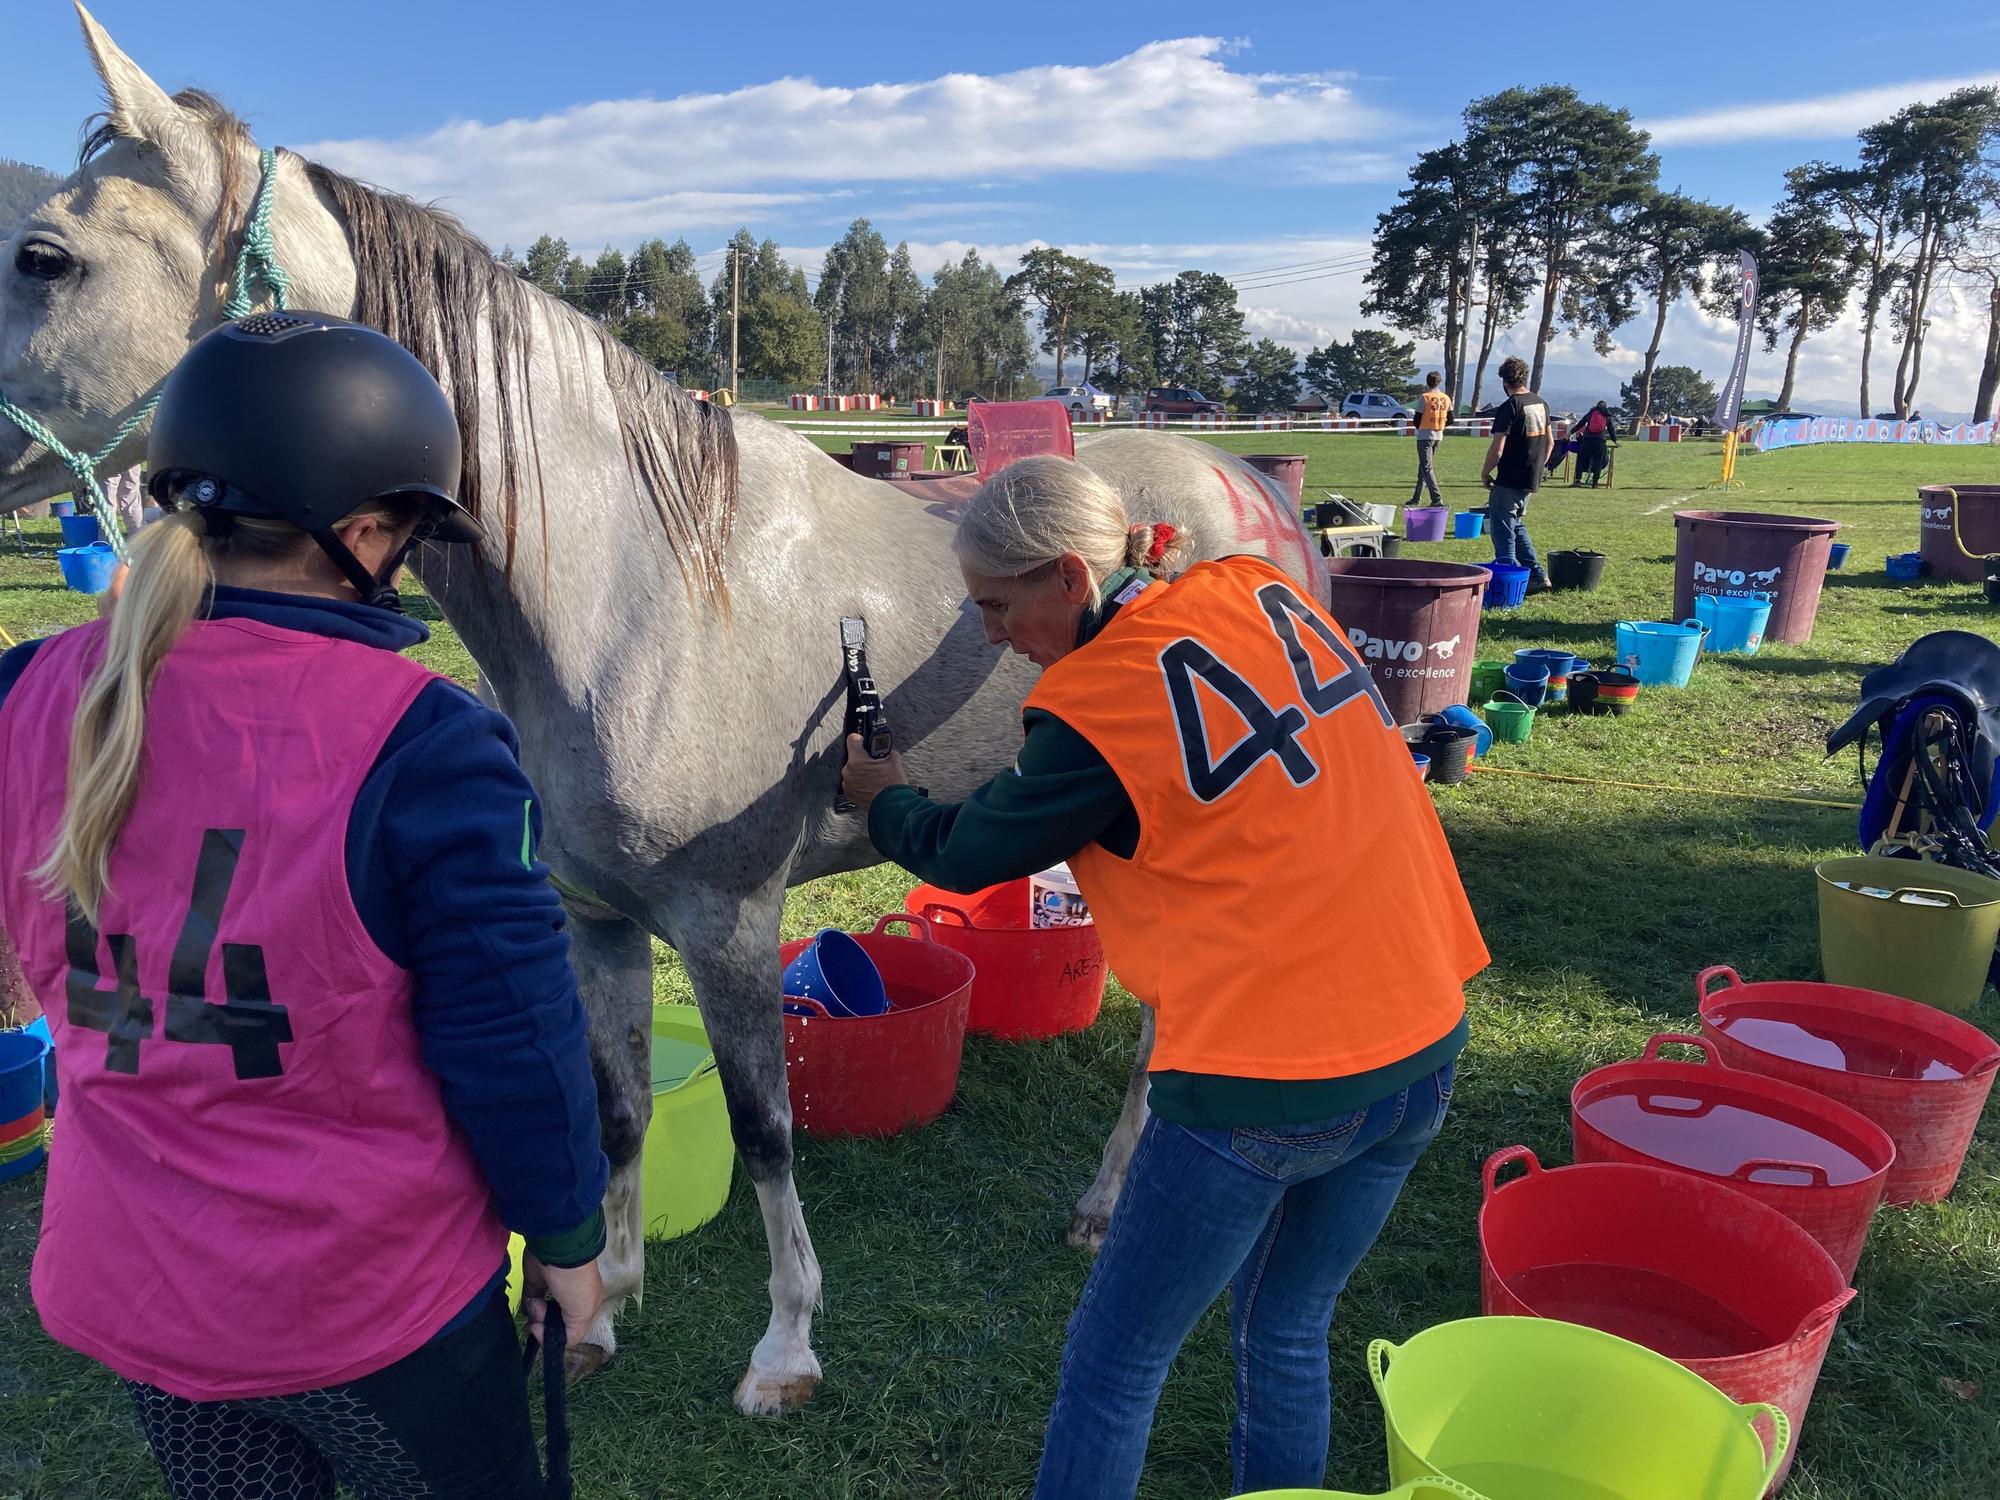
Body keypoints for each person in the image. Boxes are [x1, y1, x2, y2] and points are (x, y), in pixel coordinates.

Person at [0, 313, 607, 1500]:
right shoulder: (426, 744)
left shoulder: (27, 686)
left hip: (141, 1284)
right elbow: (516, 1041)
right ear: (366, 530)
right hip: (364, 1303)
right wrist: (571, 1240)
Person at [839, 456, 1486, 1500]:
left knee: (1113, 1364)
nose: (991, 635)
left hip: (1264, 1074)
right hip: (1422, 1037)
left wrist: (882, 796)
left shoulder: (1096, 698)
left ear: (1067, 577)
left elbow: (963, 854)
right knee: (1284, 1325)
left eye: (997, 608)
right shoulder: (1254, 585)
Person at [1481, 356, 1553, 594]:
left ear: (1505, 381)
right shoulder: (1541, 403)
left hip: (1509, 478)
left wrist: (1485, 472)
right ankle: (1537, 575)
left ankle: (1508, 580)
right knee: (1517, 524)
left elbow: (1498, 448)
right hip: (1530, 478)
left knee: (1502, 529)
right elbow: (1550, 443)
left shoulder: (1510, 407)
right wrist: (1537, 467)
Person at [1410, 371, 1451, 505]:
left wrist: (1423, 427)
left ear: (1427, 382)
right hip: (1438, 435)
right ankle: (1416, 498)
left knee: (1426, 468)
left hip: (1425, 436)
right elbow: (1452, 419)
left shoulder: (1425, 397)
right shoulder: (1445, 398)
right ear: (1439, 382)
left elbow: (1417, 419)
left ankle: (1436, 498)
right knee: (1423, 468)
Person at [1570, 400, 1617, 488]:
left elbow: (1580, 424)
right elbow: (1611, 429)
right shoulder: (1606, 416)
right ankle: (1595, 483)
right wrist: (1615, 440)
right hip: (1600, 441)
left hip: (1587, 440)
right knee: (1598, 462)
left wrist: (1570, 432)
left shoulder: (1591, 414)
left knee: (1581, 459)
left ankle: (1578, 480)